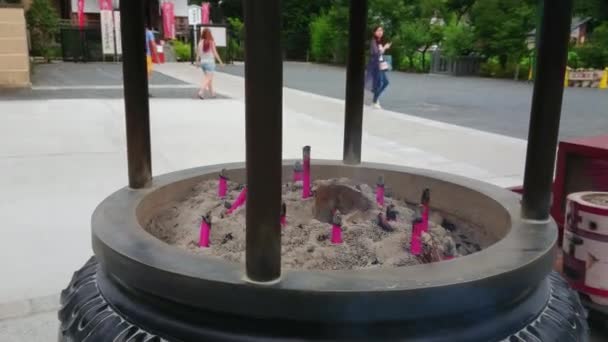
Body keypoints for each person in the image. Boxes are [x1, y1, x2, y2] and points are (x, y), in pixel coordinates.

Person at [365, 26, 391, 109]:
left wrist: (384, 48)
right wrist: (385, 48)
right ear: (374, 32)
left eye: (382, 30)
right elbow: (376, 53)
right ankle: (374, 101)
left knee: (385, 82)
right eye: (378, 30)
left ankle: (375, 99)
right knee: (380, 83)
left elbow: (380, 54)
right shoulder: (373, 41)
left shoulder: (379, 41)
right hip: (375, 65)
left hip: (380, 65)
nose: (380, 32)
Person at [196, 28, 224, 99]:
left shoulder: (200, 42)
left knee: (209, 79)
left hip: (203, 63)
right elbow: (215, 53)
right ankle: (201, 92)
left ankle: (212, 93)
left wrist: (197, 62)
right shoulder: (211, 42)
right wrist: (220, 61)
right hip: (210, 63)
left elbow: (198, 54)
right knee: (208, 78)